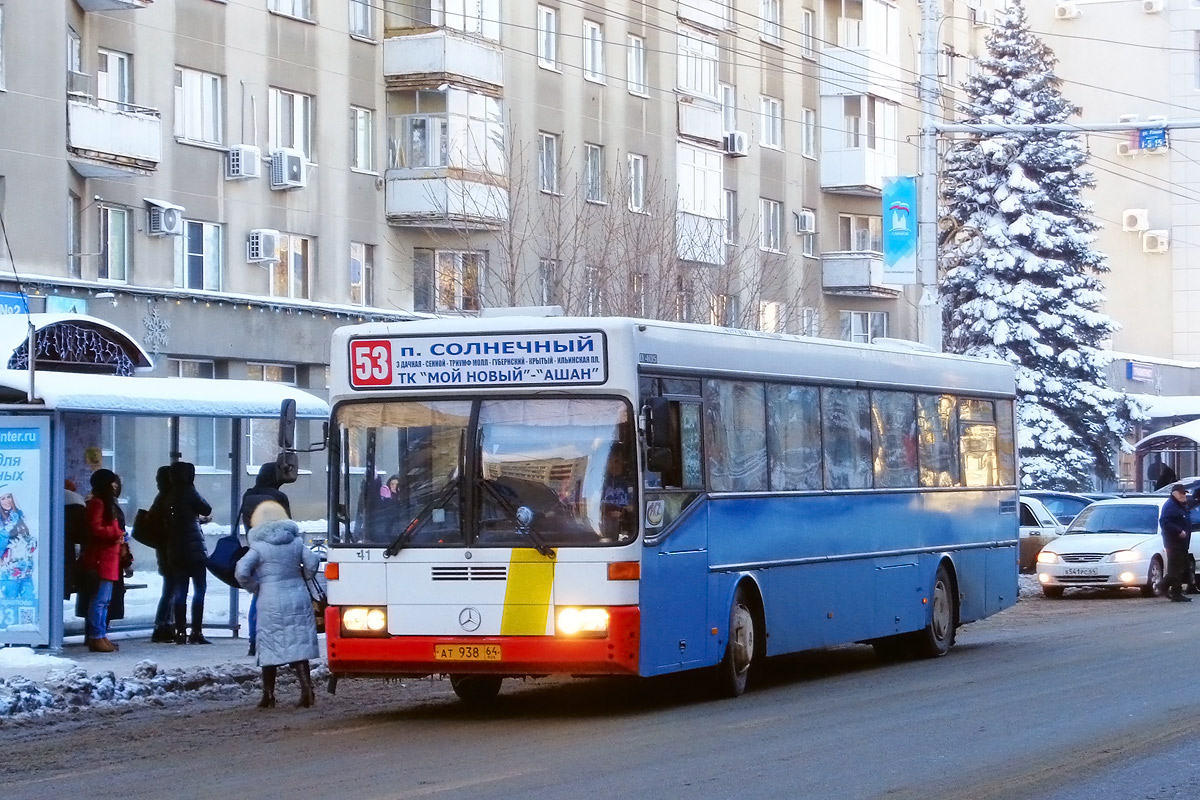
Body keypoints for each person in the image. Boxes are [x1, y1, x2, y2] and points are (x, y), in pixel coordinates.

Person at [235, 500, 320, 709]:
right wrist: (304, 576)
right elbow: (313, 562)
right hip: (298, 595)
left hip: (270, 598)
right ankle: (307, 690)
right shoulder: (296, 542)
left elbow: (241, 571)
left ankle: (269, 695)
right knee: (298, 644)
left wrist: (256, 587)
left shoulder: (258, 547)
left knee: (270, 646)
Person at [238, 462, 292, 657]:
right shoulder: (278, 497)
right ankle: (277, 641)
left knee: (258, 597)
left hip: (255, 550)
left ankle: (254, 640)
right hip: (277, 553)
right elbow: (287, 526)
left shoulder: (248, 495)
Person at [165, 461, 213, 643]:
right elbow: (206, 508)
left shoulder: (169, 496)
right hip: (194, 551)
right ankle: (196, 632)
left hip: (175, 552)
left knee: (180, 592)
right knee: (199, 590)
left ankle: (180, 632)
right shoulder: (189, 491)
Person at [78, 469, 125, 652]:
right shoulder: (98, 503)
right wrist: (116, 533)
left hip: (109, 557)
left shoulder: (107, 503)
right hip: (101, 558)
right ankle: (96, 635)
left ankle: (101, 634)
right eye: (112, 482)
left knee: (105, 600)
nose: (115, 486)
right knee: (99, 600)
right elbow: (96, 528)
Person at [146, 465, 177, 643]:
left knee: (170, 588)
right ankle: (163, 625)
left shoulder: (161, 497)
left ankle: (164, 625)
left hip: (164, 549)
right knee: (171, 589)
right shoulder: (168, 498)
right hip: (169, 549)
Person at [0, 490, 37, 604]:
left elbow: (27, 536)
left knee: (28, 602)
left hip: (26, 570)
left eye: (8, 497)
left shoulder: (19, 515)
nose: (7, 501)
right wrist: (8, 528)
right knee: (10, 602)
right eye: (3, 498)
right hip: (8, 572)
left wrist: (32, 543)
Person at [1157, 483, 1192, 602]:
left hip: (1181, 543)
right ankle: (1175, 592)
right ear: (1174, 493)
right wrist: (1178, 531)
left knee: (1179, 567)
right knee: (1176, 568)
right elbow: (1164, 522)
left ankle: (1164, 586)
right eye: (1182, 493)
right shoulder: (1170, 506)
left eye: (1185, 493)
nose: (1184, 495)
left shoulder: (1180, 505)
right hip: (1173, 542)